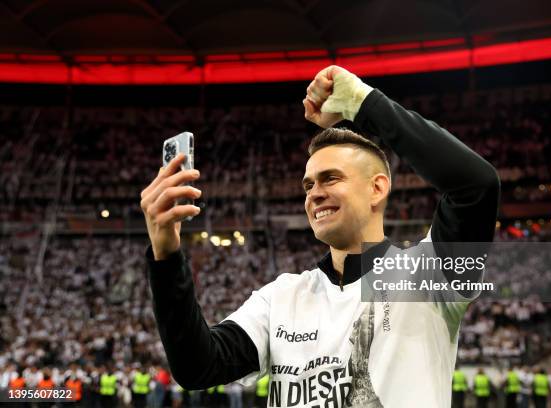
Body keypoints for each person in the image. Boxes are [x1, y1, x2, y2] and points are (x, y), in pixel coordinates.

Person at [141, 65, 500, 406]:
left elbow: (476, 186)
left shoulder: (430, 275)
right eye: (308, 185)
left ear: (377, 188)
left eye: (331, 178)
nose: (313, 193)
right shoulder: (281, 297)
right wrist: (166, 254)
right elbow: (197, 366)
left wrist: (363, 102)